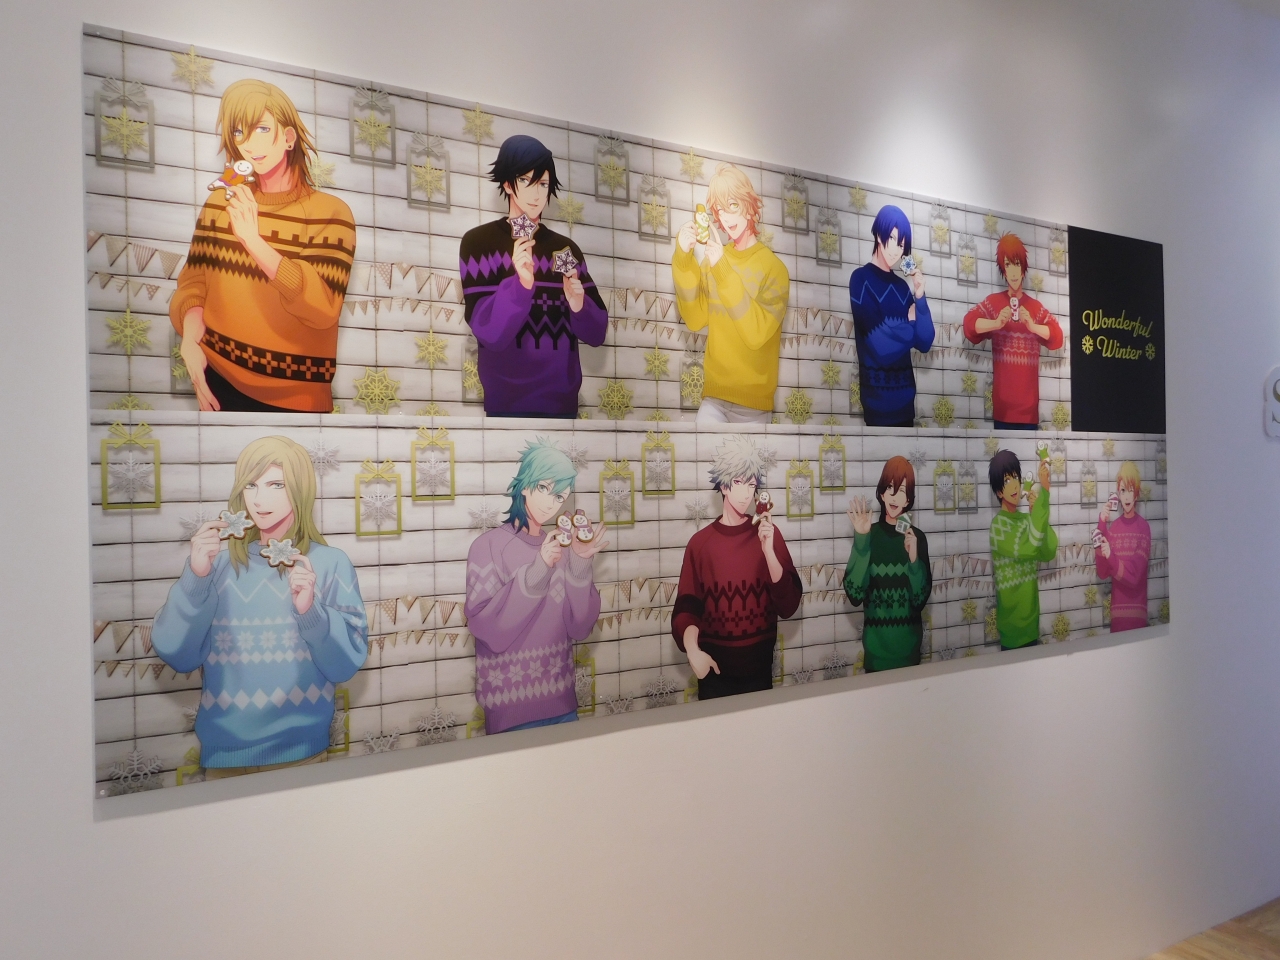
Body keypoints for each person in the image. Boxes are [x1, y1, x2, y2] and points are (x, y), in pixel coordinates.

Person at [152, 437, 368, 777]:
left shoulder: (329, 564)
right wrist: (196, 578)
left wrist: (311, 613)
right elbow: (177, 654)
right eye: (250, 485)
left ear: (300, 489)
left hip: (303, 754)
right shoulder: (215, 565)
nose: (259, 499)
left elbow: (345, 665)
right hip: (223, 756)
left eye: (276, 484)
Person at [171, 79, 356, 413]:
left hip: (296, 397)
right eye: (239, 132)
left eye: (262, 129)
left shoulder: (330, 213)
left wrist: (253, 241)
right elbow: (194, 283)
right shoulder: (220, 203)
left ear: (288, 137)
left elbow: (323, 309)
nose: (249, 144)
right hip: (217, 380)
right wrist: (190, 341)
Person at [464, 439, 608, 733]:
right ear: (524, 486)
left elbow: (580, 628)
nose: (551, 503)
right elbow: (488, 630)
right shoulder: (487, 547)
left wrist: (580, 564)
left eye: (560, 496)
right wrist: (538, 570)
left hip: (563, 703)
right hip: (508, 711)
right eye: (544, 488)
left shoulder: (563, 549)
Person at [459, 136, 608, 418]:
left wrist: (579, 304)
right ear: (507, 184)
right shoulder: (479, 244)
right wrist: (520, 286)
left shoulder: (566, 249)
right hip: (505, 409)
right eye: (525, 180)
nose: (536, 194)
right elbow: (489, 332)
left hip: (563, 409)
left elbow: (597, 332)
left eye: (543, 184)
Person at [672, 436, 803, 698]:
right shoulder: (700, 544)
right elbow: (687, 607)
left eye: (752, 485)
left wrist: (768, 552)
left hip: (760, 674)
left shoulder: (768, 533)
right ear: (724, 485)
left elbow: (789, 605)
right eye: (739, 482)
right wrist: (693, 651)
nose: (746, 493)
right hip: (713, 674)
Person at [672, 164, 791, 424]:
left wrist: (723, 271)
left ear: (749, 205)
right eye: (720, 210)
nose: (726, 217)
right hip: (713, 398)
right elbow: (695, 319)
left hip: (754, 407)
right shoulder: (713, 260)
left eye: (733, 205)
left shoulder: (775, 269)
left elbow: (756, 333)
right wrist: (683, 258)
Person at [962, 233, 1064, 429]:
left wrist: (1033, 326)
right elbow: (969, 325)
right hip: (1002, 409)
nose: (1013, 271)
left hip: (1029, 412)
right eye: (1008, 265)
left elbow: (1057, 337)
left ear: (1023, 267)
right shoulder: (993, 303)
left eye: (1017, 264)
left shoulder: (1035, 308)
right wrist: (996, 323)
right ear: (1003, 268)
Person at [848, 204, 935, 427]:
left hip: (906, 405)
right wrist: (912, 324)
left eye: (902, 244)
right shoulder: (860, 280)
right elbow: (881, 346)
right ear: (879, 235)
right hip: (876, 407)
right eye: (893, 239)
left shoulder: (902, 287)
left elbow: (925, 341)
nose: (897, 250)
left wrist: (920, 296)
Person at [843, 456, 932, 671]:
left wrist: (914, 561)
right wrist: (862, 542)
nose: (894, 496)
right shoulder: (869, 535)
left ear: (908, 499)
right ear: (882, 493)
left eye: (901, 490)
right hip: (876, 659)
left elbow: (920, 600)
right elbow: (854, 594)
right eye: (890, 487)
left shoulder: (917, 538)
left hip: (910, 658)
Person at [988, 449, 1058, 650]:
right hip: (1011, 632)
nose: (1014, 485)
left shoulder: (1027, 520)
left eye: (1016, 477)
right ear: (999, 492)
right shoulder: (998, 527)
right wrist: (1044, 493)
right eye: (1007, 480)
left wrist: (1035, 512)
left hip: (1032, 626)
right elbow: (1028, 547)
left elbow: (1049, 550)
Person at [1094, 461, 1152, 632]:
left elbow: (1134, 577)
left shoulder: (1143, 528)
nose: (1127, 496)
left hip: (1137, 618)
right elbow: (1103, 572)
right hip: (1117, 619)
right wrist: (1102, 523)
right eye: (1123, 490)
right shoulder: (1113, 528)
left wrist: (1111, 557)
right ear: (1118, 494)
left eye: (1131, 490)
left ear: (1137, 494)